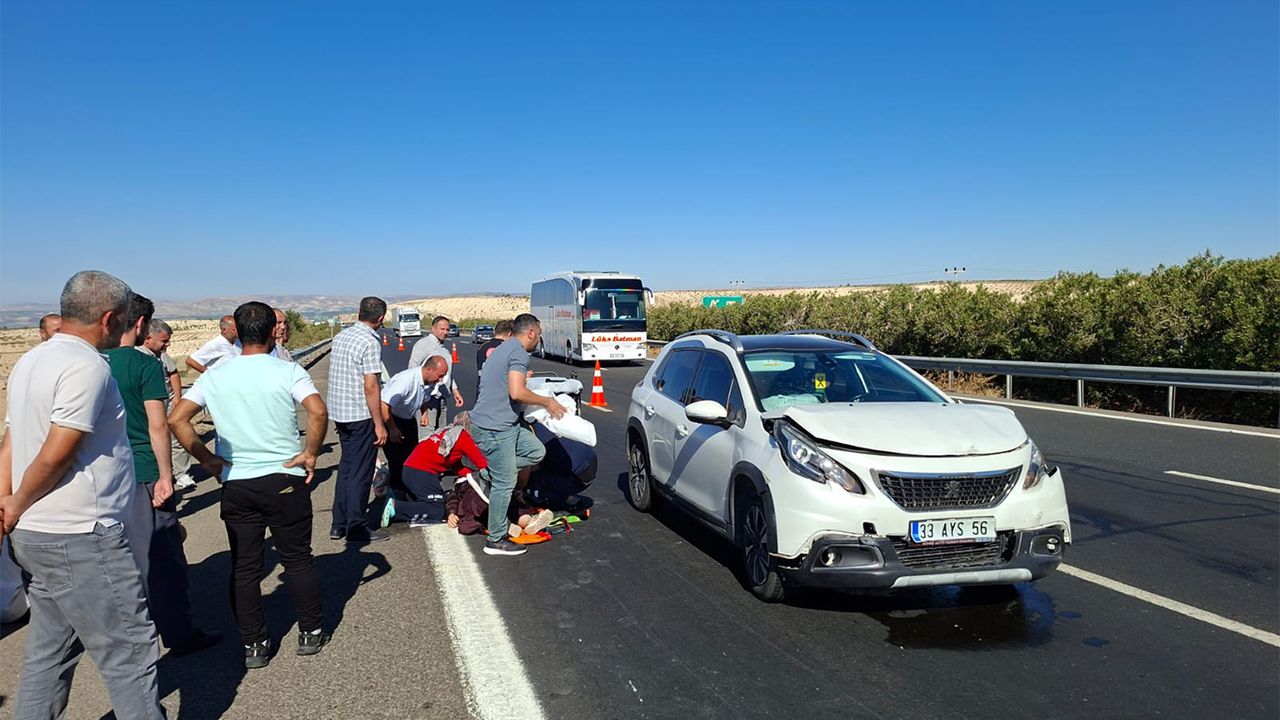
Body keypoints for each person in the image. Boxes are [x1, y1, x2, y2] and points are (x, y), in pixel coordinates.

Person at [1, 270, 167, 719]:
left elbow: (12, 443)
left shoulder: (31, 361)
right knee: (131, 650)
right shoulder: (87, 366)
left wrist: (8, 504)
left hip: (38, 533)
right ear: (109, 318)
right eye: (125, 319)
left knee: (51, 650)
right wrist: (15, 503)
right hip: (81, 535)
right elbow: (60, 449)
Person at [169, 301, 330, 670]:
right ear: (273, 331)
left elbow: (177, 419)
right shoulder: (287, 370)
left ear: (237, 332)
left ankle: (254, 643)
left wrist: (207, 460)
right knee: (297, 558)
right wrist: (310, 453)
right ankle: (310, 630)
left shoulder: (215, 376)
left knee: (245, 566)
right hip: (284, 478)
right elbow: (318, 411)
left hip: (238, 482)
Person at [107, 296, 222, 657]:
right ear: (141, 324)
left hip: (102, 476)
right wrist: (166, 475)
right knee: (162, 557)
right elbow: (158, 425)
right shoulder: (144, 364)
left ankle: (126, 636)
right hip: (142, 469)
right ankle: (178, 632)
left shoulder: (93, 361)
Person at [469, 313, 566, 557]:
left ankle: (488, 474)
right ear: (531, 332)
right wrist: (547, 401)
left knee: (536, 451)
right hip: (495, 428)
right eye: (539, 334)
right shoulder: (518, 353)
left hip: (504, 424)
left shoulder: (505, 348)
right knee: (505, 482)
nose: (539, 338)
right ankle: (496, 539)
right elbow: (516, 392)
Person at [326, 296, 390, 543]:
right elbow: (371, 386)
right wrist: (379, 423)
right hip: (360, 414)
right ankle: (356, 526)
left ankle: (338, 523)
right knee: (361, 473)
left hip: (340, 413)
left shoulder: (342, 336)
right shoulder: (370, 341)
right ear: (380, 318)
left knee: (347, 468)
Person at [378, 356, 449, 522]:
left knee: (413, 461)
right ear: (429, 369)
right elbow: (384, 405)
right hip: (392, 419)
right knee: (397, 462)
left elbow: (425, 398)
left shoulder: (429, 382)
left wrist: (424, 413)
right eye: (440, 375)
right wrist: (392, 429)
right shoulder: (405, 381)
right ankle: (396, 500)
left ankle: (410, 497)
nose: (441, 379)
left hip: (408, 421)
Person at [392, 415, 489, 528]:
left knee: (423, 503)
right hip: (422, 472)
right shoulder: (464, 437)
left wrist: (468, 475)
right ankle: (395, 507)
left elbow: (455, 465)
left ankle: (394, 504)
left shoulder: (448, 434)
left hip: (410, 469)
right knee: (437, 509)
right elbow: (483, 464)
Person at [139, 319, 197, 491]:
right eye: (164, 341)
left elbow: (173, 373)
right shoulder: (138, 357)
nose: (168, 345)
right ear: (148, 338)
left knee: (176, 436)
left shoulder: (162, 356)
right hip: (149, 406)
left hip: (167, 402)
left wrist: (177, 397)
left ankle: (181, 473)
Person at [408, 315, 464, 431]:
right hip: (428, 398)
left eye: (447, 329)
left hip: (442, 396)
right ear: (433, 328)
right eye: (442, 329)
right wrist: (422, 400)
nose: (445, 332)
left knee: (441, 433)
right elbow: (413, 369)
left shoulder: (443, 348)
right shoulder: (424, 344)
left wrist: (455, 390)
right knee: (427, 433)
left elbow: (447, 373)